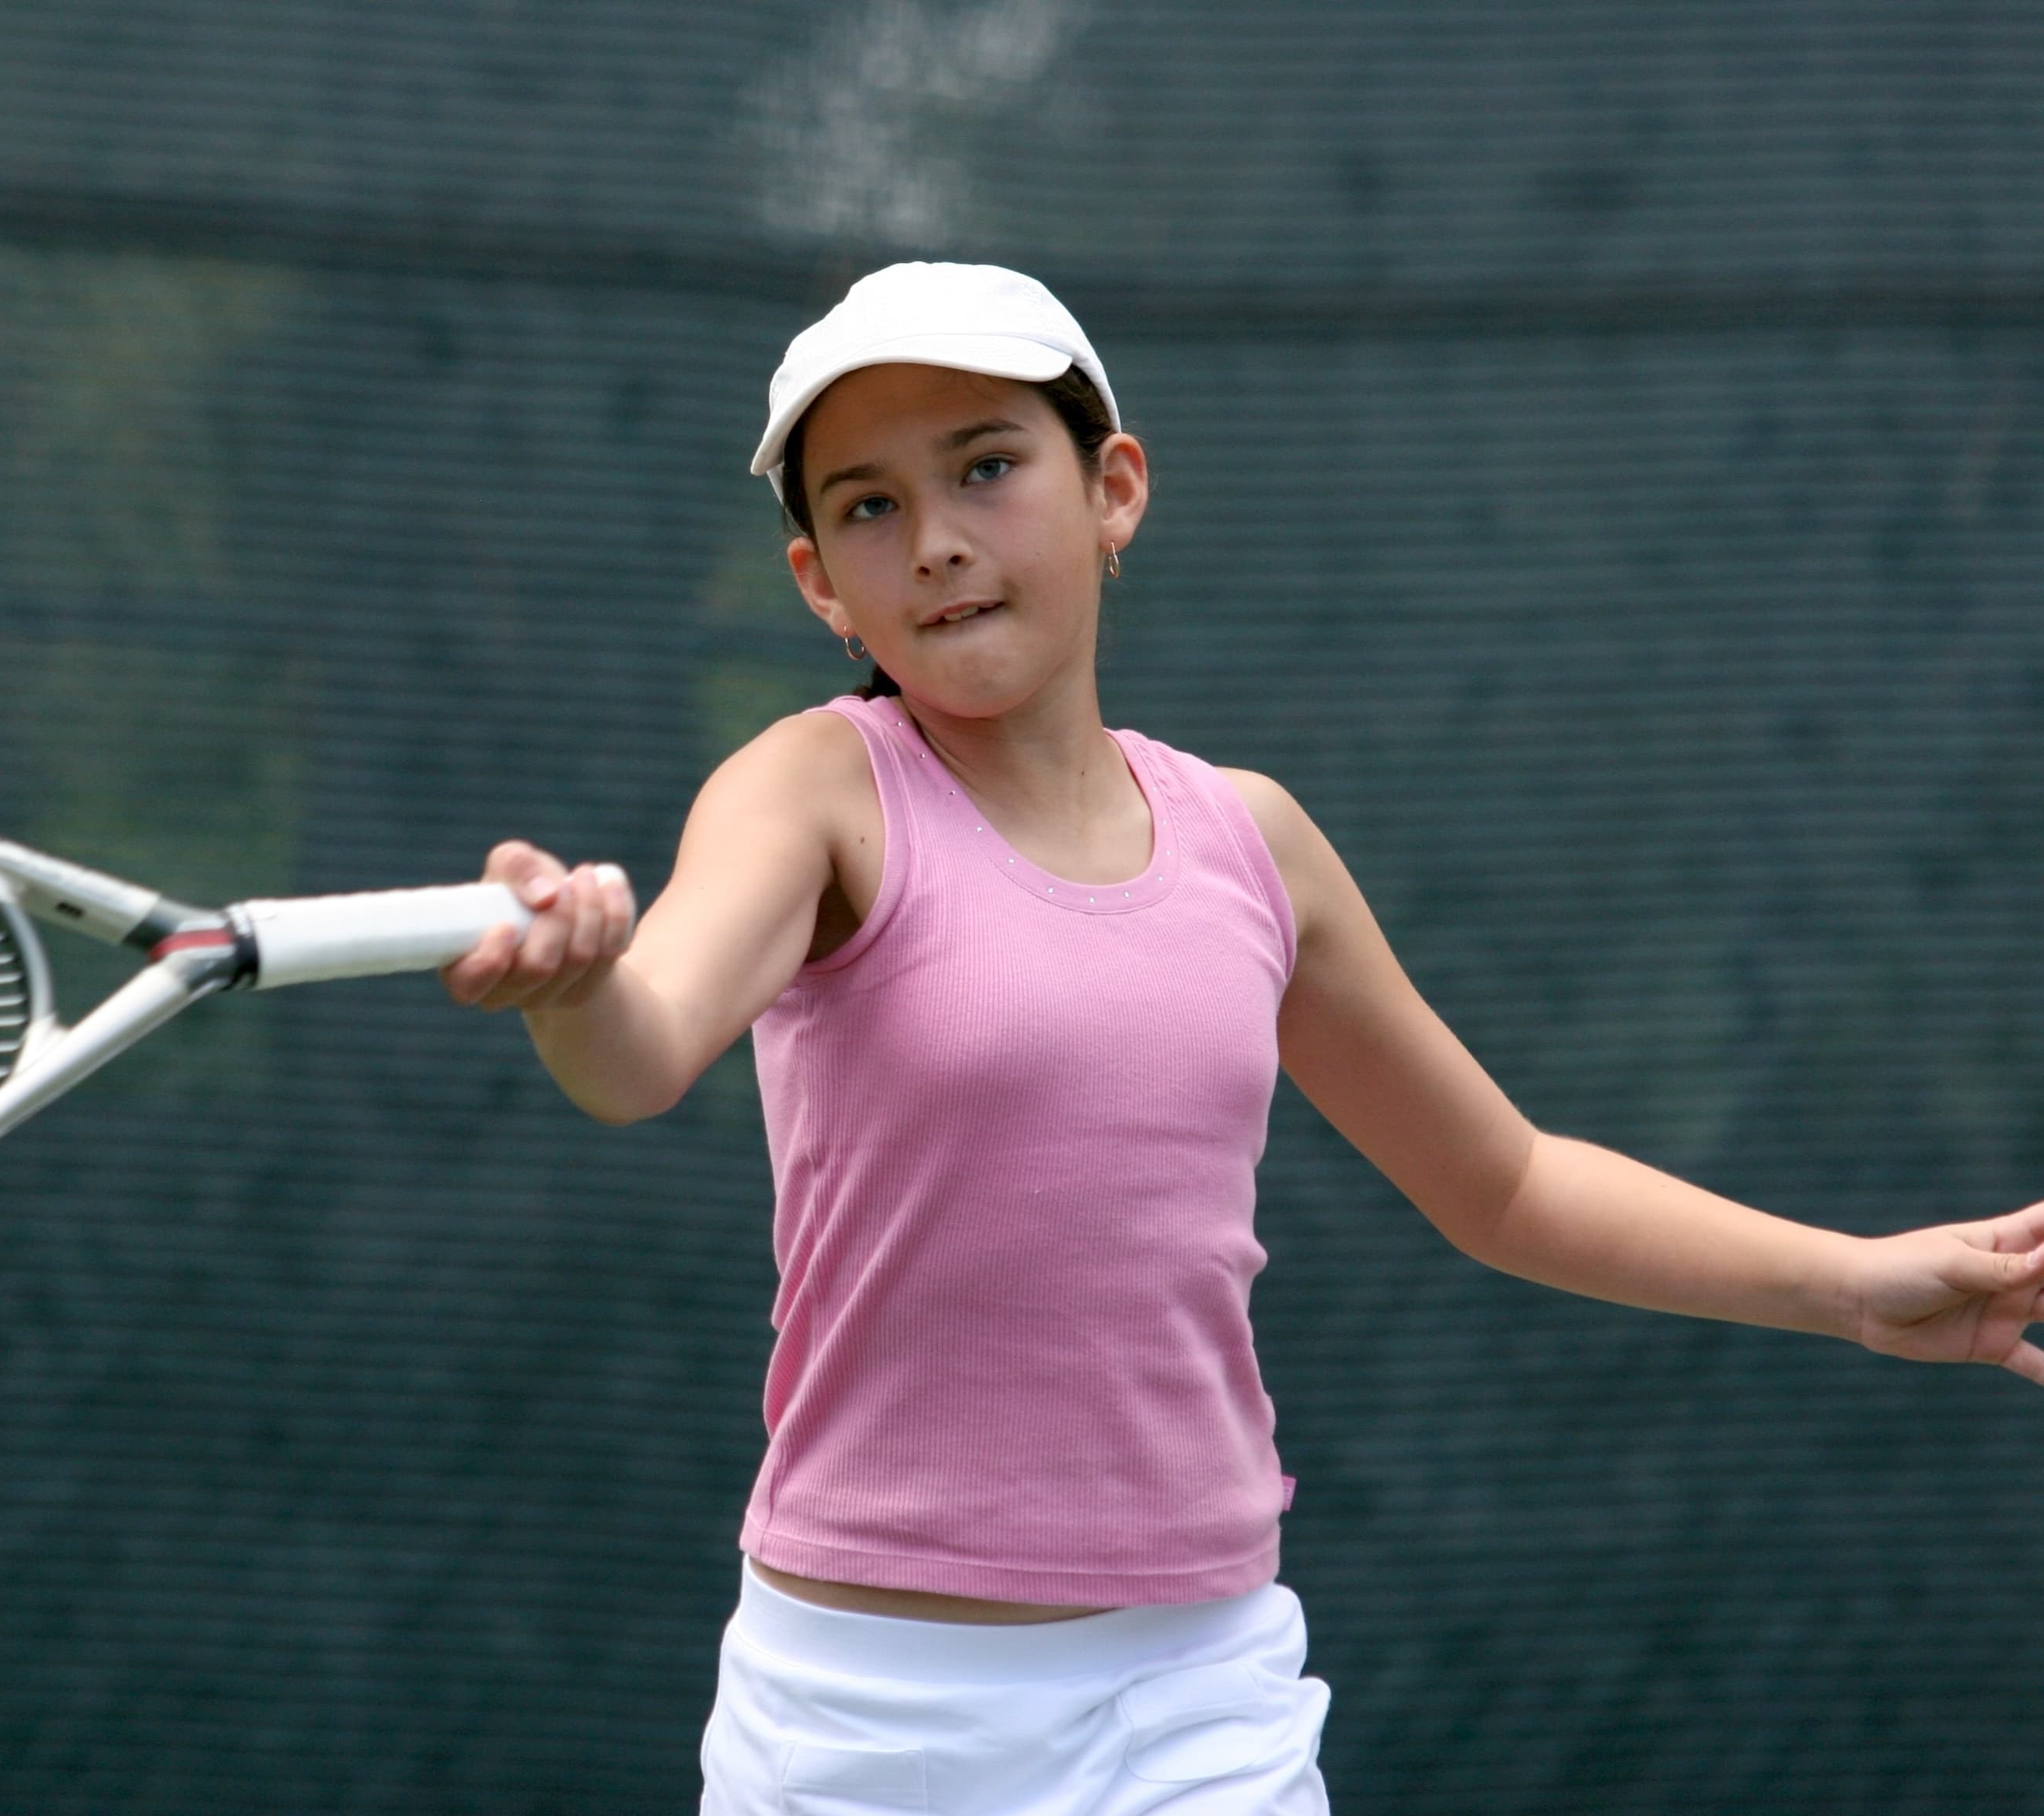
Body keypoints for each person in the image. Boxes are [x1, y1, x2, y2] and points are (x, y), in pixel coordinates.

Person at [438, 262, 2044, 1815]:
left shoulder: (1254, 844)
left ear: (1112, 488)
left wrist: (1853, 1283)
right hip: (867, 1709)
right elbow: (643, 1051)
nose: (934, 542)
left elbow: (1508, 1184)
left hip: (1198, 1691)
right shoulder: (812, 788)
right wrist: (581, 982)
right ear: (817, 581)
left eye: (988, 468)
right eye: (866, 505)